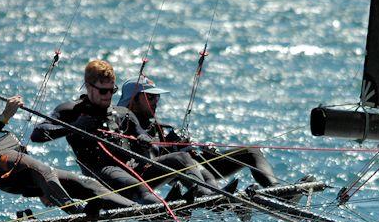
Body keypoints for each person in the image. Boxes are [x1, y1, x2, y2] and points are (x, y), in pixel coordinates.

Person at [0, 72, 137, 216]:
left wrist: (44, 190)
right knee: (43, 169)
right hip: (3, 168)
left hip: (19, 172)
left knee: (86, 184)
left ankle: (138, 210)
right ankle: (76, 213)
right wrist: (5, 116)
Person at [30, 60, 221, 203]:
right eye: (103, 91)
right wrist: (76, 126)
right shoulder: (70, 111)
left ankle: (211, 197)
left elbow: (141, 132)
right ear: (89, 87)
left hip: (134, 169)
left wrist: (144, 138)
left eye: (112, 91)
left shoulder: (122, 113)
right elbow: (38, 134)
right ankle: (164, 213)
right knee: (139, 188)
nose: (108, 97)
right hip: (104, 174)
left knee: (182, 159)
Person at [117, 75, 278, 187]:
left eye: (157, 97)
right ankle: (216, 197)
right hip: (157, 176)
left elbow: (185, 153)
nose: (156, 101)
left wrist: (204, 150)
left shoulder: (160, 128)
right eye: (150, 97)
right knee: (184, 159)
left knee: (251, 152)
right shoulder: (123, 125)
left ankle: (276, 191)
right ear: (133, 99)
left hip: (194, 170)